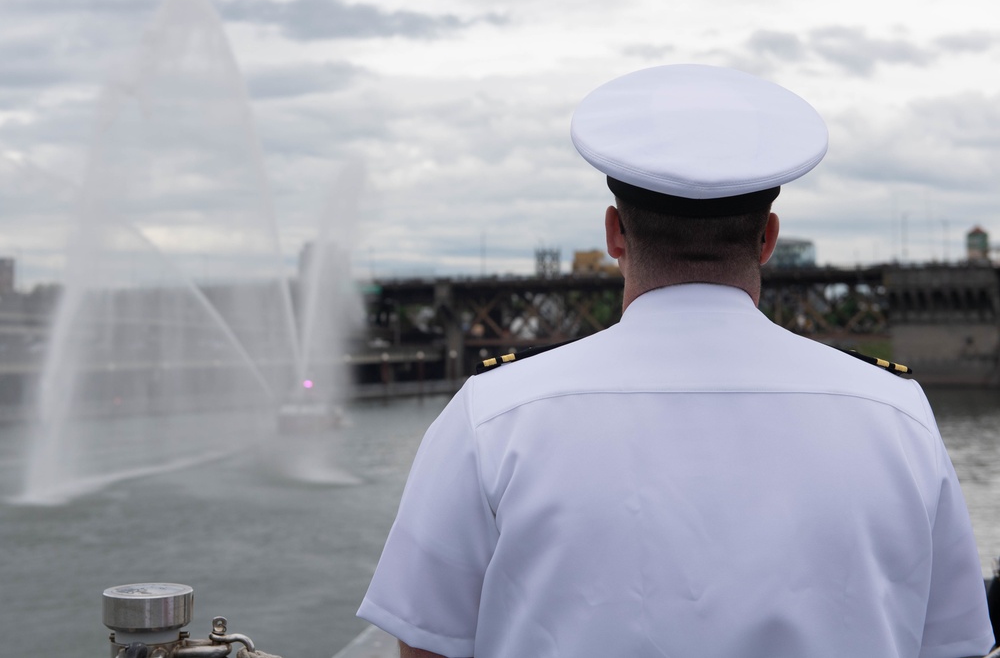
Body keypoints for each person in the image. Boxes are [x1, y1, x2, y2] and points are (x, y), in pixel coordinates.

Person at [357, 64, 994, 658]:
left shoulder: (490, 416)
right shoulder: (898, 418)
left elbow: (426, 645)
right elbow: (952, 644)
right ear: (768, 238)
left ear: (613, 232)